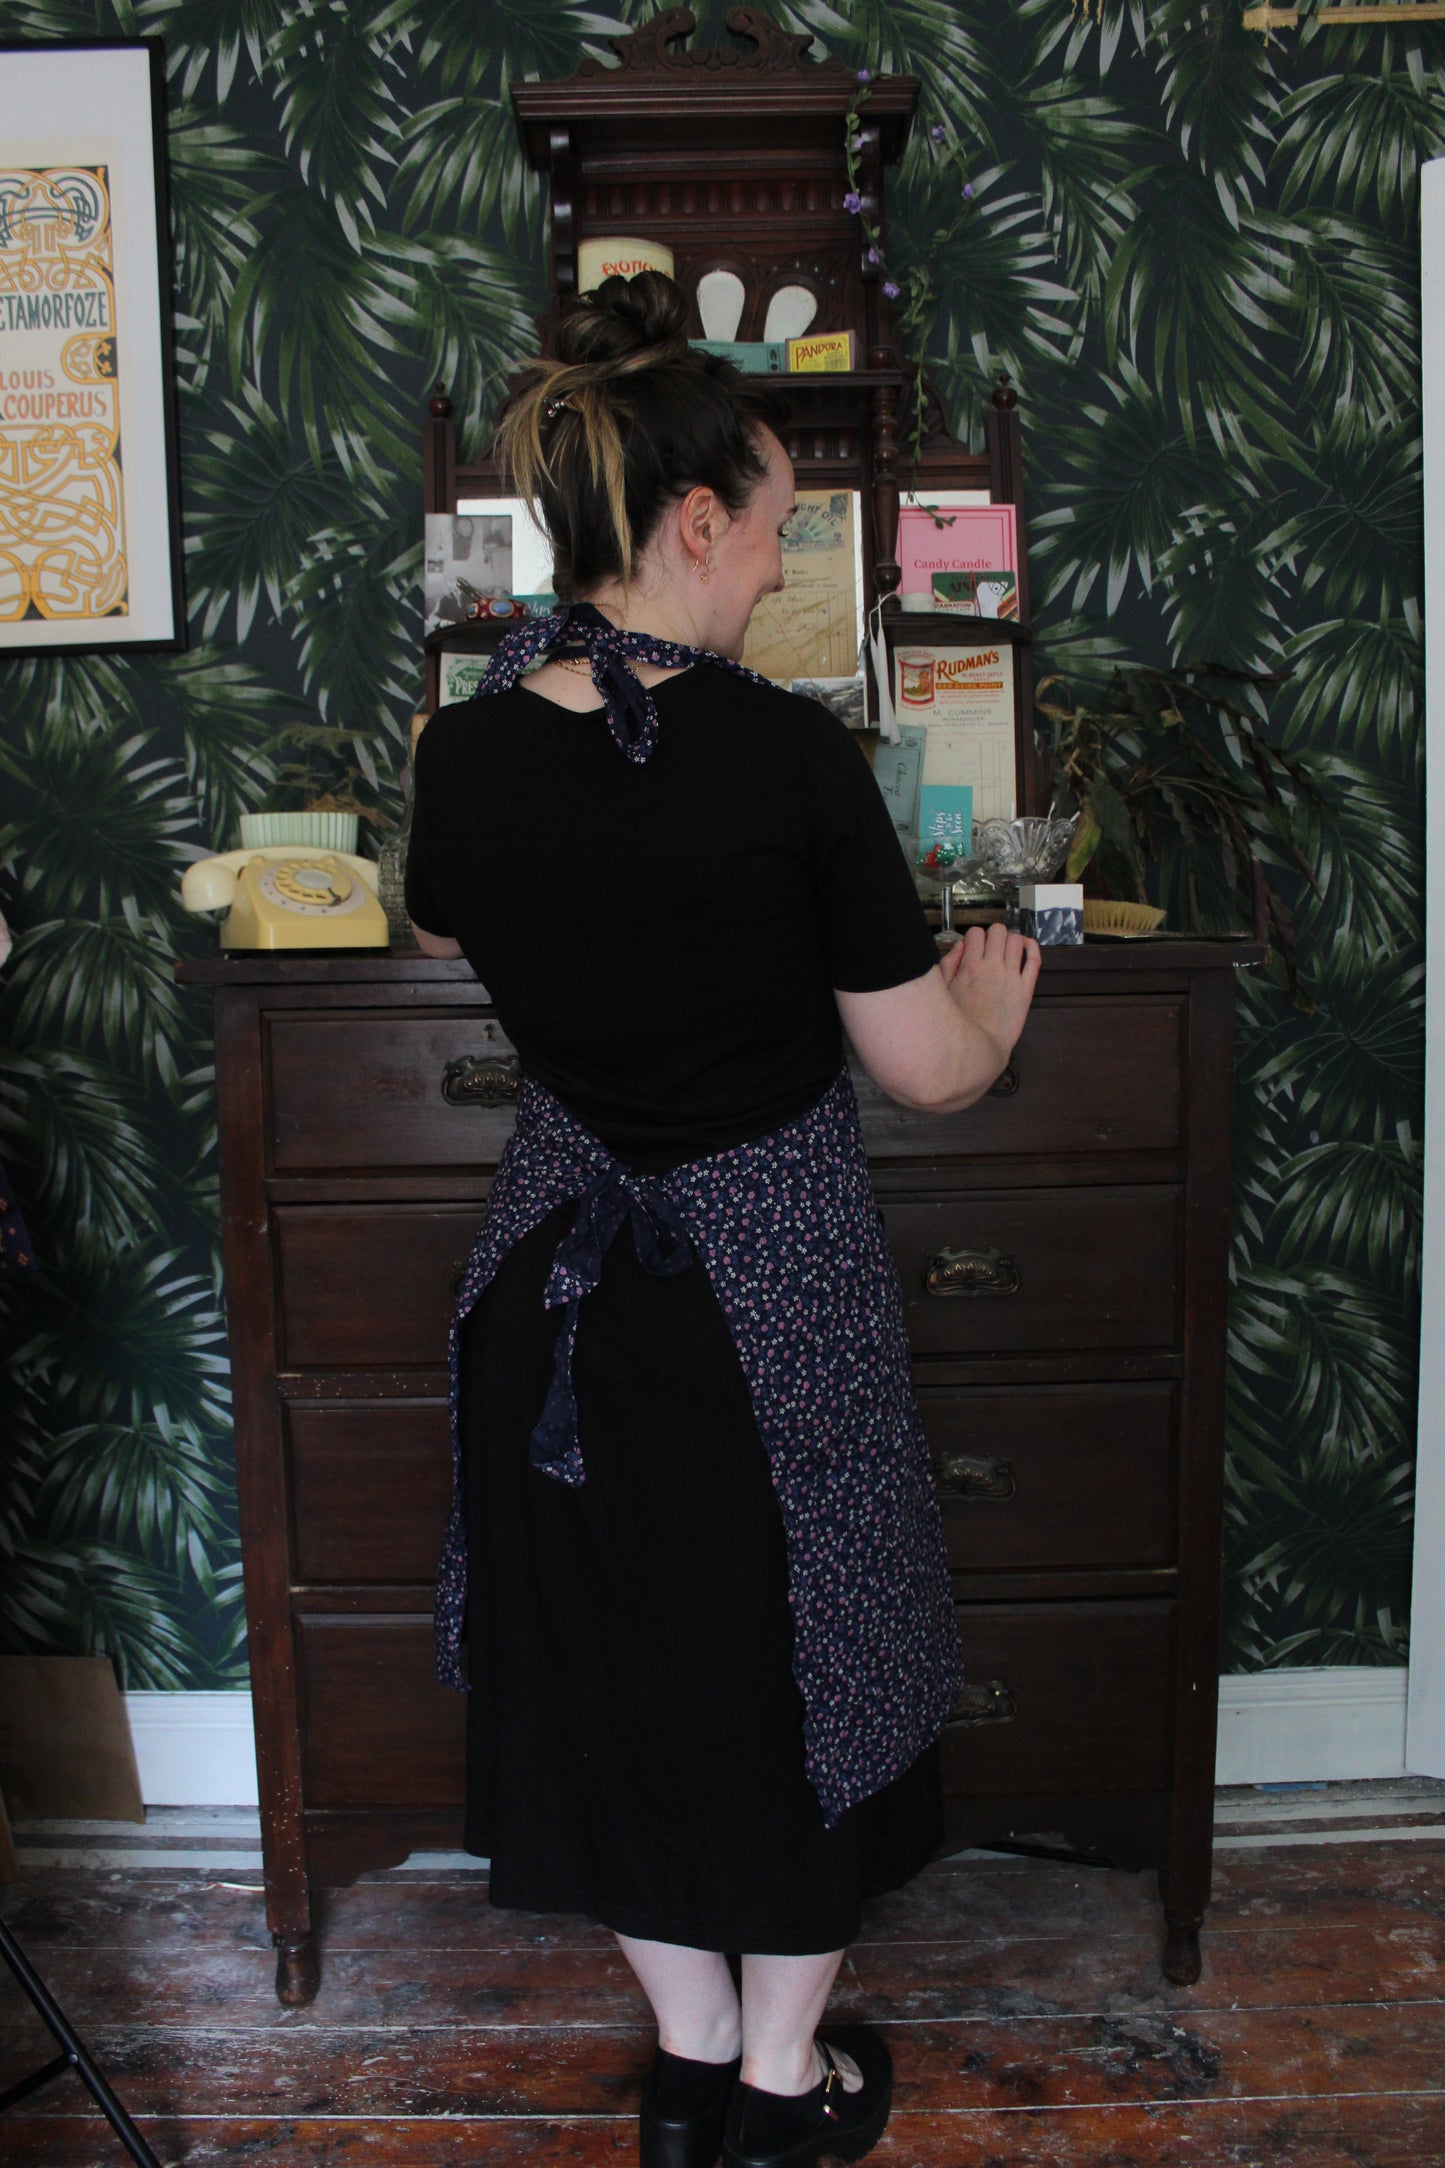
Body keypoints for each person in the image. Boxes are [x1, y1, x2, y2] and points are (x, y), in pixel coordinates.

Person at [405, 272, 1039, 2168]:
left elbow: (442, 927)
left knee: (611, 1672)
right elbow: (923, 1068)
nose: (775, 566)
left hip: (562, 1296)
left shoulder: (468, 749)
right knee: (797, 1667)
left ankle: (687, 2068)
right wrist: (995, 1004)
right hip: (760, 1296)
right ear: (694, 523)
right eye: (770, 528)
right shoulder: (786, 754)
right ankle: (778, 2084)